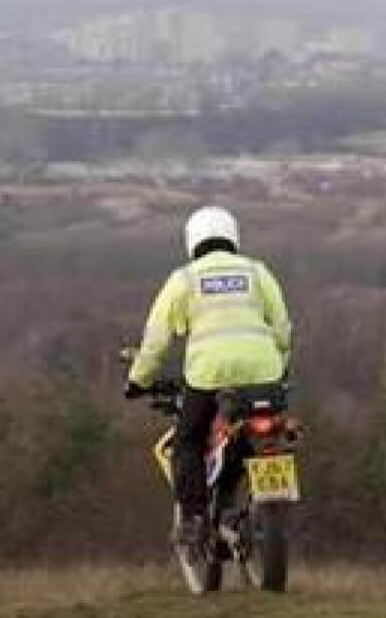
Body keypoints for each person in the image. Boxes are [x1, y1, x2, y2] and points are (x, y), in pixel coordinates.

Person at [125, 205, 291, 551]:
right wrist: (280, 369)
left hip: (207, 376)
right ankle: (245, 504)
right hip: (265, 373)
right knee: (259, 435)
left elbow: (155, 341)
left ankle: (195, 520)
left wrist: (139, 380)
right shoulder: (258, 273)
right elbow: (282, 330)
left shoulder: (184, 280)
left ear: (192, 240)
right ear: (233, 237)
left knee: (187, 440)